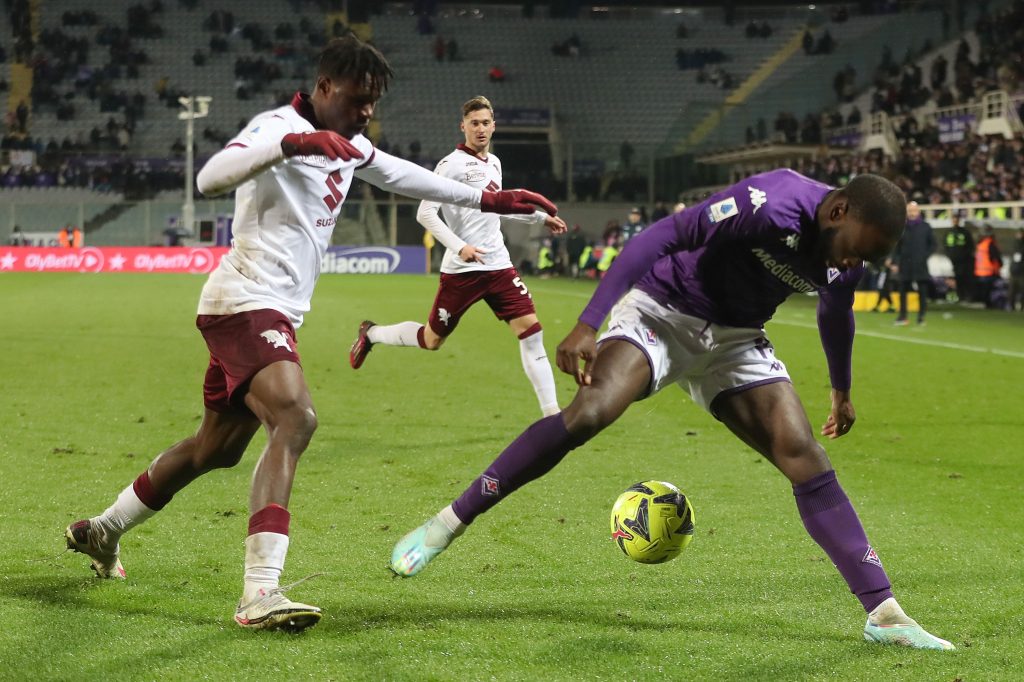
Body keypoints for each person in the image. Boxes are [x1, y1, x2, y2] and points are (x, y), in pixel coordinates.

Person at [63, 36, 557, 633]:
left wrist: (495, 199)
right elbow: (209, 178)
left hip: (270, 311)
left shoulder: (351, 143)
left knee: (213, 449)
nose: (367, 112)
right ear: (325, 89)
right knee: (295, 418)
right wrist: (292, 144)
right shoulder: (276, 126)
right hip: (244, 301)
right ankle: (259, 592)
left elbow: (408, 179)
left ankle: (102, 532)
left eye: (374, 103)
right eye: (358, 99)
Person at [388, 170, 954, 651]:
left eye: (869, 258)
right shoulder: (771, 202)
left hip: (736, 338)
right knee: (589, 413)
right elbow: (662, 235)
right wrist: (589, 321)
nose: (857, 261)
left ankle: (884, 615)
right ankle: (446, 524)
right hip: (662, 310)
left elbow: (837, 310)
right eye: (857, 247)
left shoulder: (847, 254)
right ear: (837, 210)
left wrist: (841, 388)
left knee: (804, 455)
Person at [347, 96, 566, 418]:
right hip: (462, 271)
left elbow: (498, 207)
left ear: (494, 126)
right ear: (462, 126)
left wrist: (538, 218)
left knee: (531, 332)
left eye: (485, 123)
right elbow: (426, 213)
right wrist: (458, 245)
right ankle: (373, 333)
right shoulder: (451, 165)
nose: (480, 129)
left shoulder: (495, 163)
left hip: (499, 266)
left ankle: (552, 415)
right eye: (474, 123)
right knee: (431, 340)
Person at [890, 201, 934, 326]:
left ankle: (921, 317)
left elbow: (933, 244)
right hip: (905, 264)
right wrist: (895, 262)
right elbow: (897, 247)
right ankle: (902, 316)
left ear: (918, 212)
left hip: (920, 264)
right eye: (909, 211)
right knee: (902, 290)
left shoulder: (926, 227)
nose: (912, 213)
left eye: (914, 211)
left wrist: (924, 256)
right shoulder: (902, 228)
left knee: (922, 291)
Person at [943, 212, 975, 303]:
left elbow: (970, 246)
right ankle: (960, 296)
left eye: (956, 219)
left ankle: (968, 296)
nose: (955, 221)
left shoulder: (965, 232)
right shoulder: (949, 232)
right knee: (957, 279)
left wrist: (965, 255)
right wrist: (950, 256)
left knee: (966, 278)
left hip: (965, 261)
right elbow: (945, 246)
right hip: (954, 261)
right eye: (953, 219)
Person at [973, 224, 1003, 308]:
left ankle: (985, 304)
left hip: (980, 271)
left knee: (984, 291)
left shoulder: (980, 243)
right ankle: (989, 305)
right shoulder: (990, 243)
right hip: (989, 271)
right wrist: (1000, 265)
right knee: (990, 291)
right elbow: (995, 257)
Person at [1009, 228, 1024, 312]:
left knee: (1022, 291)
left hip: (1022, 271)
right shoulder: (1014, 243)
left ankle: (1021, 307)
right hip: (1014, 270)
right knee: (1011, 291)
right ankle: (1011, 307)